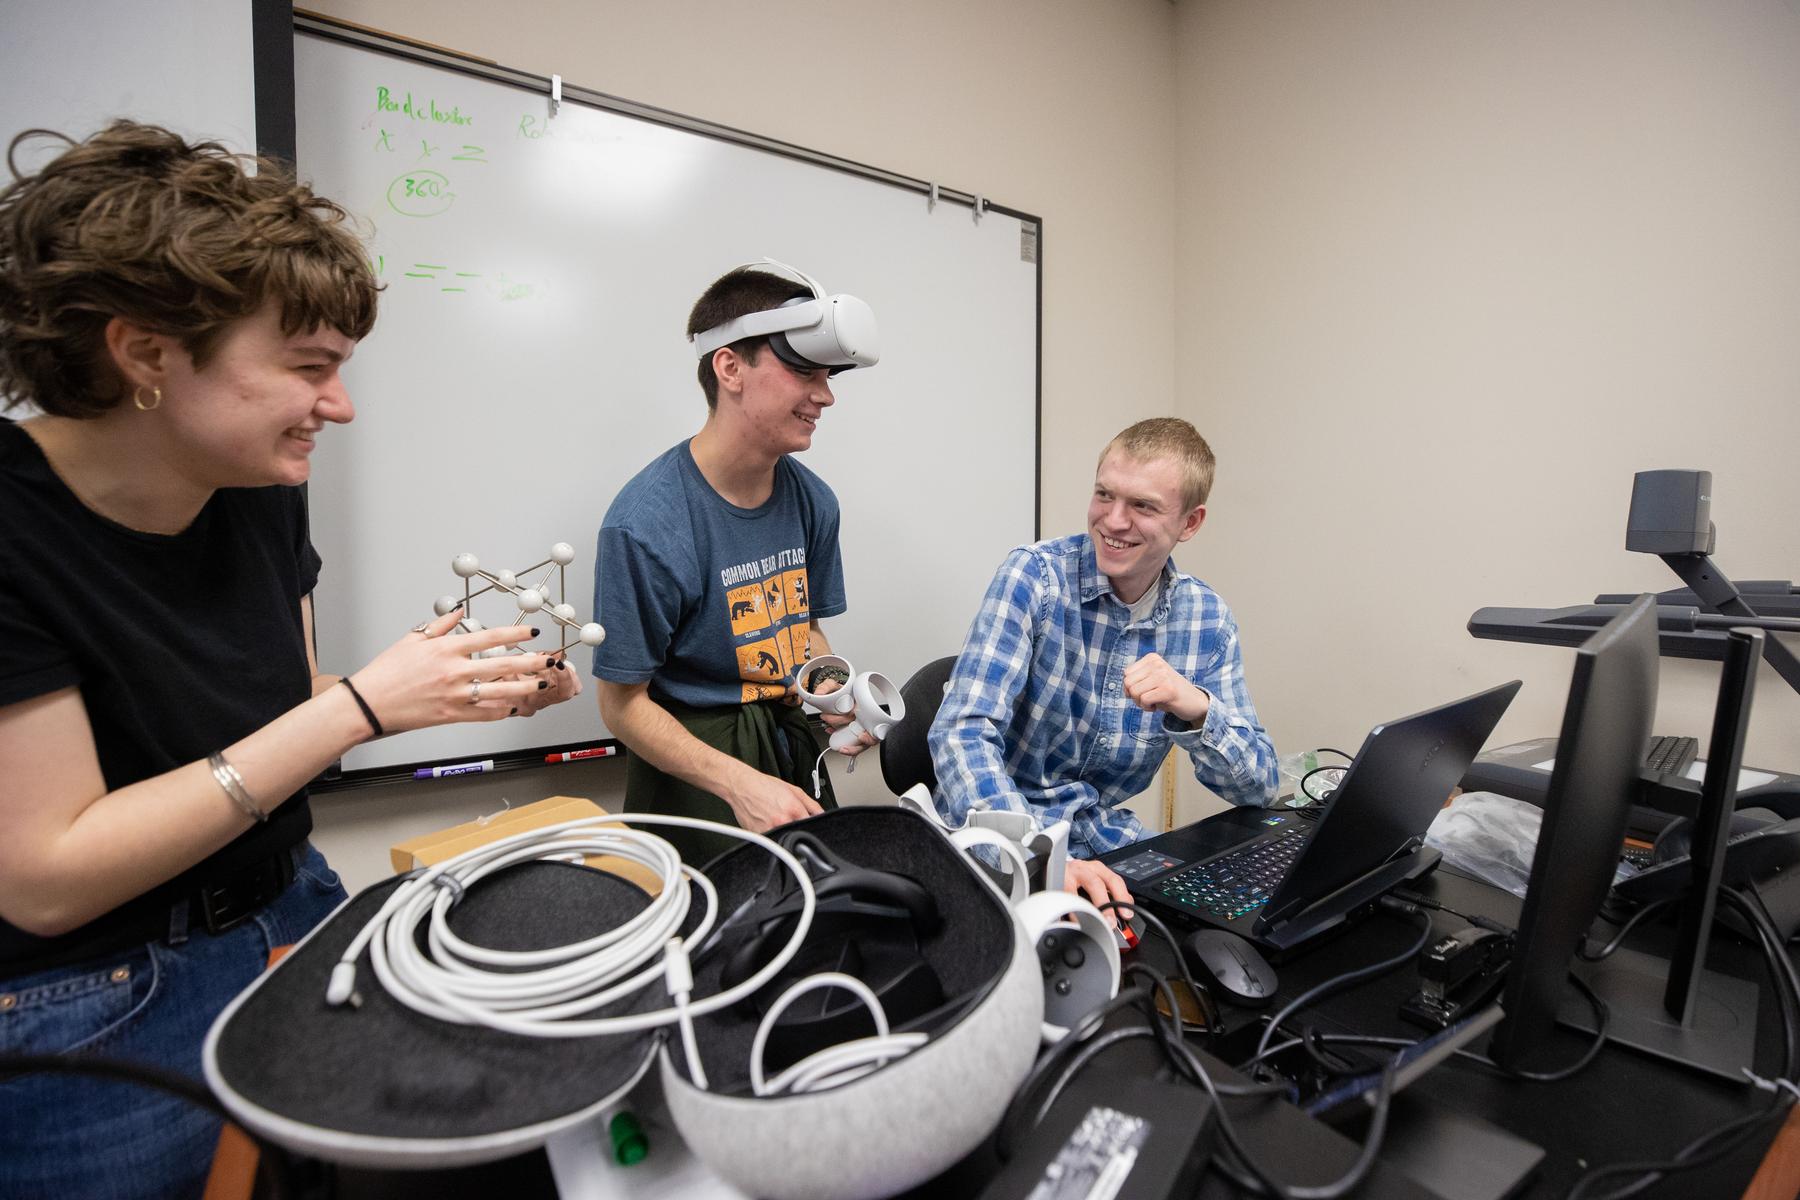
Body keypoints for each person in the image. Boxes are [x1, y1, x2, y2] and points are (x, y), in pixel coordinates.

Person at [0, 121, 581, 1200]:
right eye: (309, 368)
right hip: (92, 1001)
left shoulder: (260, 480)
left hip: (289, 915)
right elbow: (46, 878)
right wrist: (360, 706)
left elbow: (280, 714)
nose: (341, 406)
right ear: (144, 354)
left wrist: (433, 698)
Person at [929, 417, 1278, 912]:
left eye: (1142, 506)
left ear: (1190, 523)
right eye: (1104, 495)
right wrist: (1038, 858)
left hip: (1105, 839)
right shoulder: (1034, 577)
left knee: (1214, 930)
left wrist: (1195, 707)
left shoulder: (1207, 620)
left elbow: (1259, 786)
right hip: (1000, 838)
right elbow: (961, 733)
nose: (1113, 521)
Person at [594, 262, 876, 863]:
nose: (824, 395)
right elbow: (621, 706)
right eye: (803, 370)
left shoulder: (812, 501)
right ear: (730, 368)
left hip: (788, 748)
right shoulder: (645, 525)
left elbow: (804, 628)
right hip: (697, 773)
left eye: (827, 375)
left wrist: (828, 685)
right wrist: (737, 784)